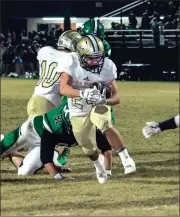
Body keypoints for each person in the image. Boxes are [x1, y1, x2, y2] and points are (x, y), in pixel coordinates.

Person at [59, 35, 136, 184]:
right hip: (78, 108)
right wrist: (82, 93)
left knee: (103, 121)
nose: (95, 61)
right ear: (80, 55)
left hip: (97, 103)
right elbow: (63, 88)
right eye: (90, 58)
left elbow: (116, 97)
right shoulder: (70, 62)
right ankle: (98, 165)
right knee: (87, 147)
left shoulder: (107, 66)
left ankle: (126, 158)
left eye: (98, 57)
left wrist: (104, 100)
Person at [0, 97, 114, 179]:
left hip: (51, 142)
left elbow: (106, 149)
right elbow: (46, 159)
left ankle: (12, 153)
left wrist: (107, 172)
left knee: (24, 172)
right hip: (32, 130)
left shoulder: (91, 126)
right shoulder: (55, 127)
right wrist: (59, 177)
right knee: (2, 148)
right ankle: (5, 144)